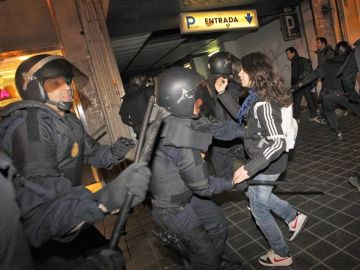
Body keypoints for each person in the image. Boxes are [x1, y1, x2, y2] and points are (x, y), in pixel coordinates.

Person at [0, 54, 151, 249]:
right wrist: (100, 201)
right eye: (55, 83)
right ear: (34, 88)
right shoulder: (32, 128)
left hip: (67, 210)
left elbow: (94, 154)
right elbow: (41, 197)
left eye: (67, 82)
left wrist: (115, 151)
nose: (67, 88)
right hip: (50, 224)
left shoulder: (68, 121)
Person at [216, 52, 308, 267]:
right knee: (253, 193)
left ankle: (281, 253)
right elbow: (243, 115)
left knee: (258, 207)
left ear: (254, 73)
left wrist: (249, 168)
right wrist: (222, 94)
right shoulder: (258, 95)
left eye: (242, 71)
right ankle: (293, 216)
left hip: (268, 162)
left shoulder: (264, 102)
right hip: (265, 160)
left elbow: (277, 143)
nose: (239, 75)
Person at [151, 67, 243, 270]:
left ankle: (217, 260)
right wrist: (233, 182)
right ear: (181, 99)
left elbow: (214, 128)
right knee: (204, 258)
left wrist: (248, 132)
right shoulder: (182, 140)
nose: (200, 100)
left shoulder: (177, 116)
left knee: (217, 223)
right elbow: (203, 186)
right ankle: (211, 263)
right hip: (173, 209)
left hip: (187, 193)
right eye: (196, 96)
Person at [0, 150, 128, 270]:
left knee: (109, 252)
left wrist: (99, 202)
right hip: (57, 246)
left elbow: (37, 210)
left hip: (71, 219)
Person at [297, 41, 359, 140]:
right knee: (356, 106)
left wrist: (299, 84)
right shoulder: (349, 61)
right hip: (342, 94)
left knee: (329, 112)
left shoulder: (327, 63)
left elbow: (314, 75)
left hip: (327, 95)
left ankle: (337, 131)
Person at [206, 51, 245, 179]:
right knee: (244, 176)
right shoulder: (229, 84)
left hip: (216, 139)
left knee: (224, 178)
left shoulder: (204, 86)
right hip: (235, 137)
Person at [285, 47, 323, 124]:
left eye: (288, 54)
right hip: (305, 84)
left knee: (297, 102)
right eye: (287, 54)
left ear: (293, 53)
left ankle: (296, 118)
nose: (287, 56)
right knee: (309, 100)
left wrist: (294, 86)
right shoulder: (300, 59)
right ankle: (313, 116)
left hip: (299, 85)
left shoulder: (295, 61)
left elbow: (295, 75)